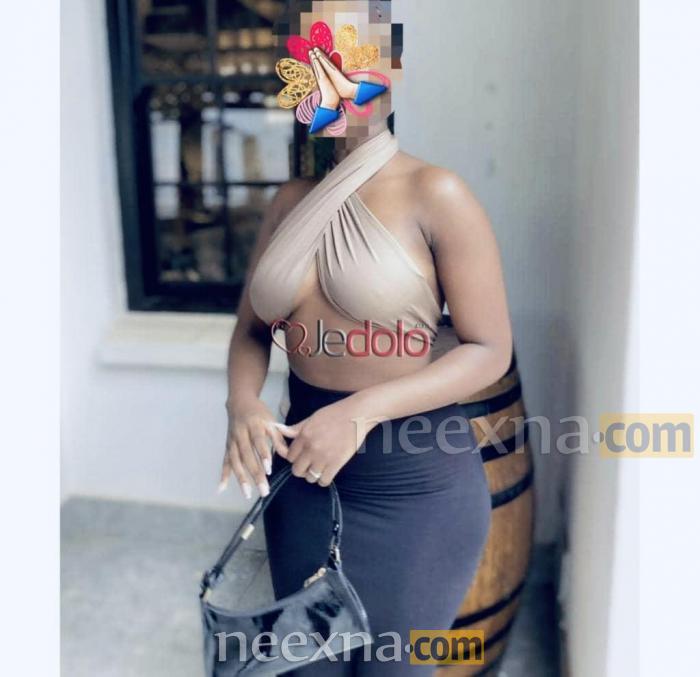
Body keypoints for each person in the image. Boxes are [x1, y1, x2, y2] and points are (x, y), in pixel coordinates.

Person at [219, 1, 513, 673]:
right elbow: (251, 330)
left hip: (413, 485)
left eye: (350, 54)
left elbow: (489, 349)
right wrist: (242, 403)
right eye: (313, 58)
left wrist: (360, 411)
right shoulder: (290, 200)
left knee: (391, 668)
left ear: (390, 66)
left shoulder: (436, 193)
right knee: (305, 665)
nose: (332, 74)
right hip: (302, 478)